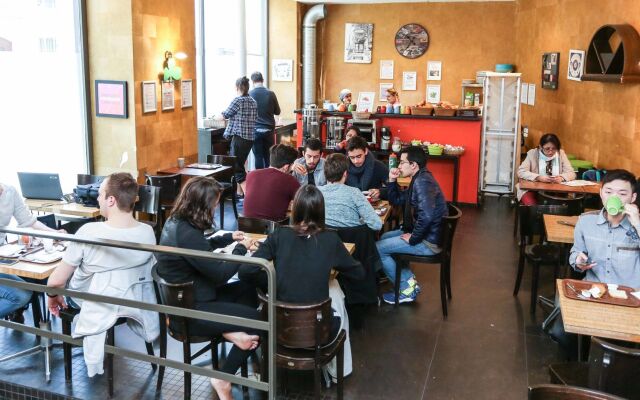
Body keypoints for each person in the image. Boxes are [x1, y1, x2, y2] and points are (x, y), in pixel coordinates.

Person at [239, 185, 364, 379]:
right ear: (321, 211)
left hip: (278, 327)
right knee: (338, 297)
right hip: (318, 331)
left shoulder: (279, 235)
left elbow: (246, 272)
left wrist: (274, 277)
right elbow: (359, 274)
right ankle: (338, 372)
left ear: (294, 208)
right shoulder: (330, 239)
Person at [154, 176, 259, 400]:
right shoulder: (186, 233)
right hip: (192, 310)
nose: (215, 208)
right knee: (259, 320)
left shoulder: (177, 224)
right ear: (203, 204)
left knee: (247, 288)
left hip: (191, 297)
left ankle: (235, 334)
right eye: (215, 204)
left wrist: (228, 238)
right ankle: (224, 377)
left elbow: (201, 246)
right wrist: (241, 249)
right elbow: (220, 275)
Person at [46, 173, 159, 377]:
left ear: (111, 200)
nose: (97, 199)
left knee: (55, 286)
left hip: (93, 300)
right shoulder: (147, 232)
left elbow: (55, 281)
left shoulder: (89, 232)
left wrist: (53, 297)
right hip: (134, 298)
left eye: (100, 194)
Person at [550, 170, 640, 357]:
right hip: (594, 293)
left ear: (633, 197)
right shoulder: (585, 222)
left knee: (621, 345)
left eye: (622, 194)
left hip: (630, 299)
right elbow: (575, 253)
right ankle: (579, 370)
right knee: (560, 332)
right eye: (608, 191)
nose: (614, 197)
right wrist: (578, 261)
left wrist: (637, 223)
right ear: (601, 193)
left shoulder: (637, 225)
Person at [376, 146, 448, 304]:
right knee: (386, 236)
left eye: (402, 163)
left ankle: (407, 288)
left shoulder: (422, 182)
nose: (399, 166)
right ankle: (407, 280)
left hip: (429, 242)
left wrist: (413, 238)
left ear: (413, 165)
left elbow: (427, 216)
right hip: (429, 235)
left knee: (378, 248)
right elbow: (397, 200)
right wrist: (392, 181)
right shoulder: (419, 178)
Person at [0, 182, 63, 322]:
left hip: (2, 256)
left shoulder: (9, 191)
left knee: (25, 288)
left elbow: (28, 222)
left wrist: (55, 233)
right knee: (20, 296)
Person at [318, 153, 382, 231]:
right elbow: (377, 225)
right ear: (345, 173)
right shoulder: (354, 193)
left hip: (325, 242)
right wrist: (360, 222)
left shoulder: (316, 192)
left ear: (324, 173)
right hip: (354, 241)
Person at [219, 76, 258, 196]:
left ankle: (249, 196)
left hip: (239, 138)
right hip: (250, 138)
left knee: (236, 167)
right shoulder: (253, 101)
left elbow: (225, 114)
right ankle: (239, 193)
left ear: (237, 88)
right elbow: (255, 118)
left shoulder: (238, 100)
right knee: (241, 164)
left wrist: (218, 115)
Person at [243, 144, 300, 222]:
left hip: (246, 227)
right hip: (273, 230)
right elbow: (302, 203)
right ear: (286, 167)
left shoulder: (251, 174)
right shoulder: (290, 180)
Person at [517, 133, 575, 205]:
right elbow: (521, 171)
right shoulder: (533, 153)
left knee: (560, 205)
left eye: (554, 149)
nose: (550, 152)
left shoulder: (561, 154)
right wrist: (538, 177)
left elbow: (572, 173)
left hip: (556, 189)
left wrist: (561, 177)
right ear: (541, 147)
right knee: (533, 205)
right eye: (547, 149)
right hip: (532, 189)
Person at [249, 71, 281, 169]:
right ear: (262, 80)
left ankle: (260, 179)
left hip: (255, 130)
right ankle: (269, 178)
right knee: (268, 156)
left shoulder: (250, 94)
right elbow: (277, 111)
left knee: (258, 156)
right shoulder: (271, 94)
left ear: (252, 82)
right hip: (268, 130)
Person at [345, 136, 389, 201]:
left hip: (373, 207)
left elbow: (394, 190)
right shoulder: (343, 167)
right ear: (348, 155)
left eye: (359, 156)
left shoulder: (378, 166)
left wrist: (381, 192)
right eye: (352, 157)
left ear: (365, 151)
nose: (356, 161)